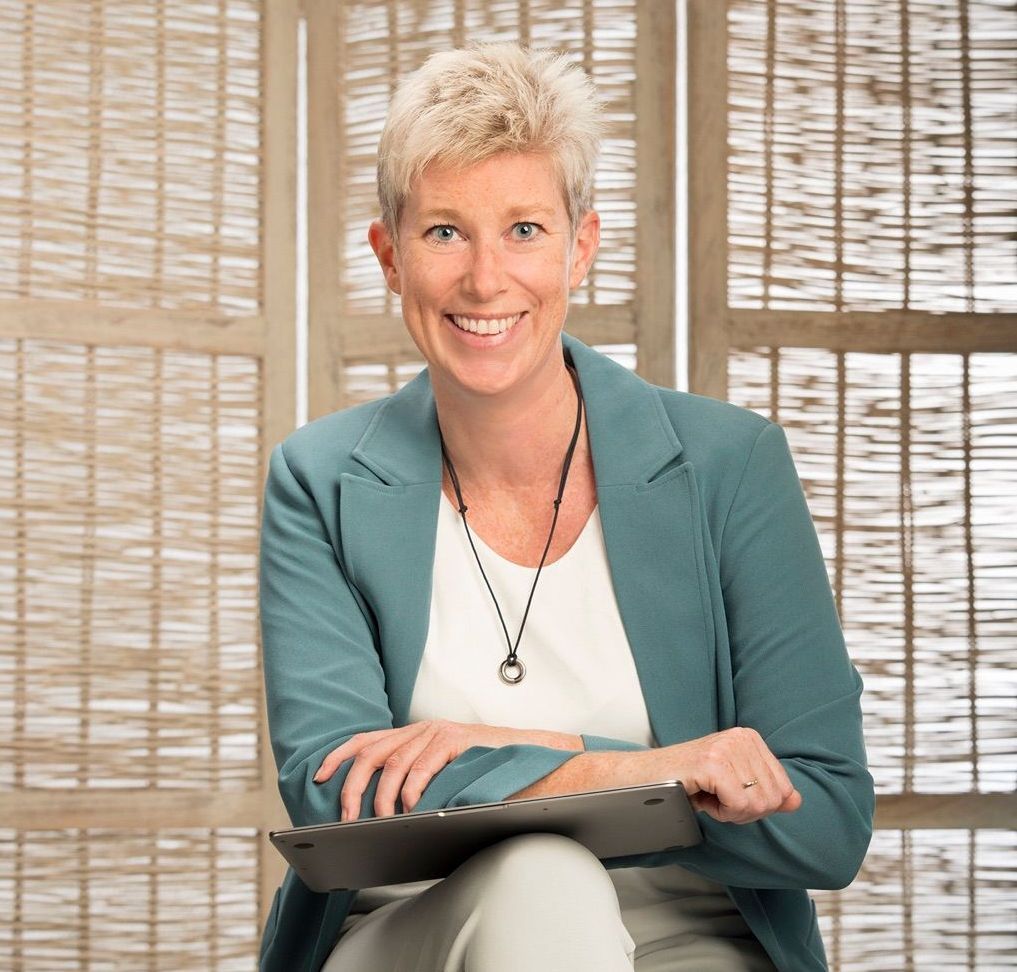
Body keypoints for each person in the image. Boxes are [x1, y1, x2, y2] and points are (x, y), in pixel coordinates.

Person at [258, 43, 873, 972]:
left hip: (696, 945)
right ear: (389, 257)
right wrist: (644, 773)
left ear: (580, 246)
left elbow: (825, 823)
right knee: (539, 878)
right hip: (415, 941)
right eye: (444, 232)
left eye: (524, 229)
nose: (485, 280)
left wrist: (504, 753)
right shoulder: (319, 479)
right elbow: (332, 794)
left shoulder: (731, 466)